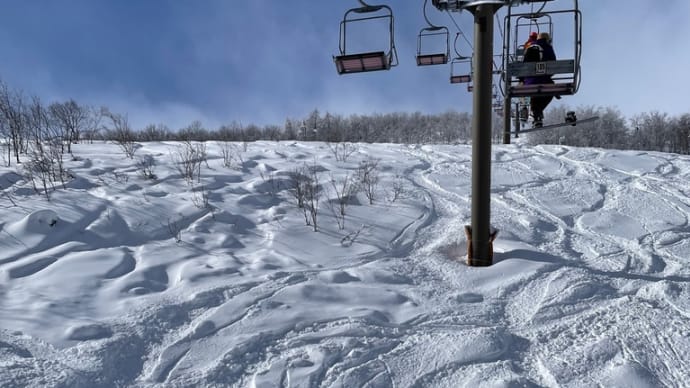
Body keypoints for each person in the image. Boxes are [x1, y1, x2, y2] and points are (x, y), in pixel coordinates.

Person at [522, 32, 556, 127]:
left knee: (534, 94)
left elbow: (523, 67)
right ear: (547, 39)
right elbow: (553, 67)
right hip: (544, 80)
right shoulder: (548, 48)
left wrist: (524, 79)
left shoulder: (529, 47)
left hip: (529, 82)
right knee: (549, 92)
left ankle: (536, 115)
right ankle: (537, 113)